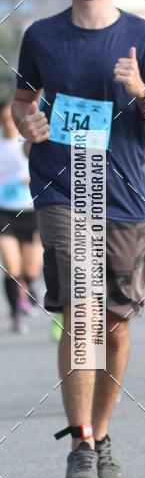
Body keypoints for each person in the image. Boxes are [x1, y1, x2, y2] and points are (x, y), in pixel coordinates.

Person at [11, 0, 145, 478]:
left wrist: (141, 92)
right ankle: (81, 441)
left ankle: (101, 433)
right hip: (63, 189)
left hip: (124, 198)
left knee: (113, 327)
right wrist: (28, 122)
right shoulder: (40, 37)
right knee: (82, 311)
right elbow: (20, 103)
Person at [0, 102, 42, 334]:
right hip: (4, 212)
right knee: (11, 266)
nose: (8, 123)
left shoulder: (28, 142)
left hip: (30, 210)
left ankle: (29, 289)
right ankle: (16, 313)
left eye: (11, 120)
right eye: (4, 120)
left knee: (31, 269)